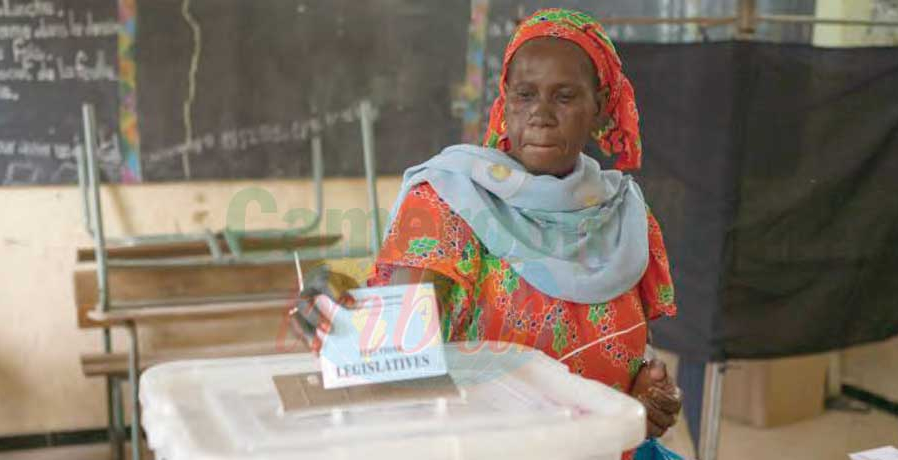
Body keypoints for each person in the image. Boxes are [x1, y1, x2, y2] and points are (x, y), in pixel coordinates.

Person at [292, 7, 682, 446]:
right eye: (525, 95)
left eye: (565, 96)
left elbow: (627, 355)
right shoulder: (449, 202)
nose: (541, 115)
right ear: (505, 104)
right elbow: (395, 360)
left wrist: (646, 400)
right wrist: (341, 316)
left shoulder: (624, 215)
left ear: (599, 109)